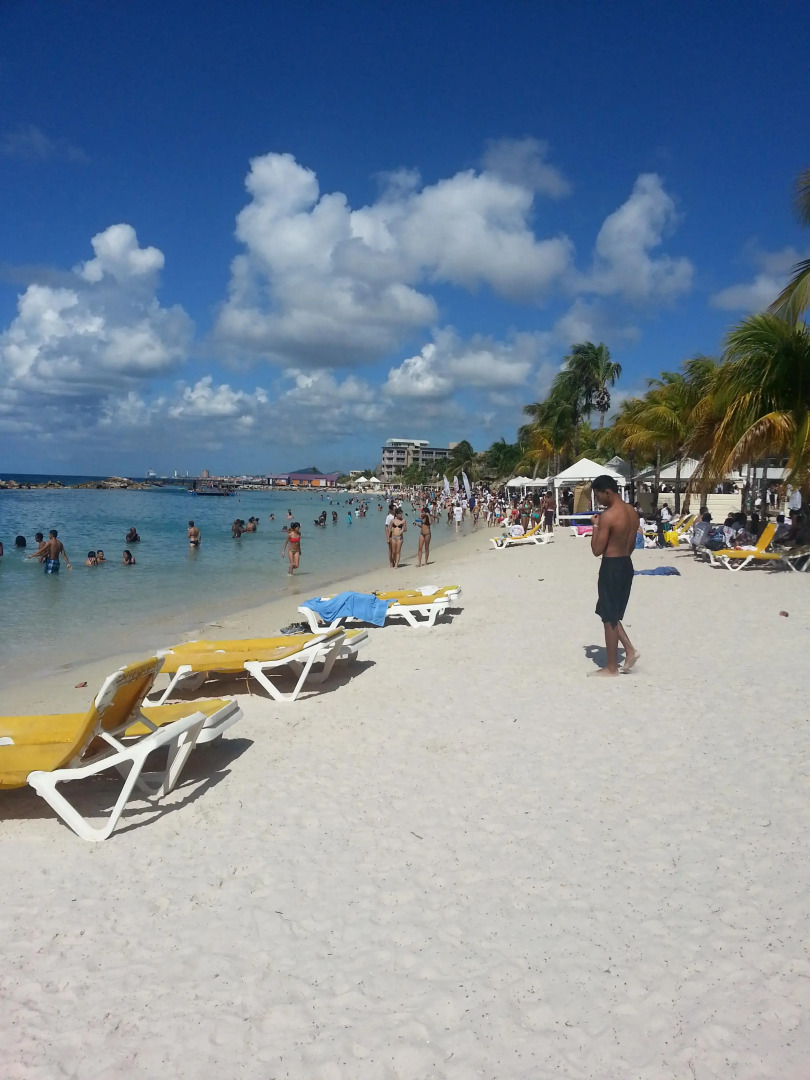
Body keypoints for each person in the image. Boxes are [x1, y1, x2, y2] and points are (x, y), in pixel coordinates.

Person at [589, 475, 640, 677]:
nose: (598, 500)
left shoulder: (608, 516)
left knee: (609, 617)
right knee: (607, 610)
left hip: (611, 565)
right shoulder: (631, 512)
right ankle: (629, 650)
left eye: (598, 495)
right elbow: (632, 544)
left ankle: (611, 668)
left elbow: (596, 550)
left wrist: (594, 526)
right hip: (627, 564)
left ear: (607, 493)